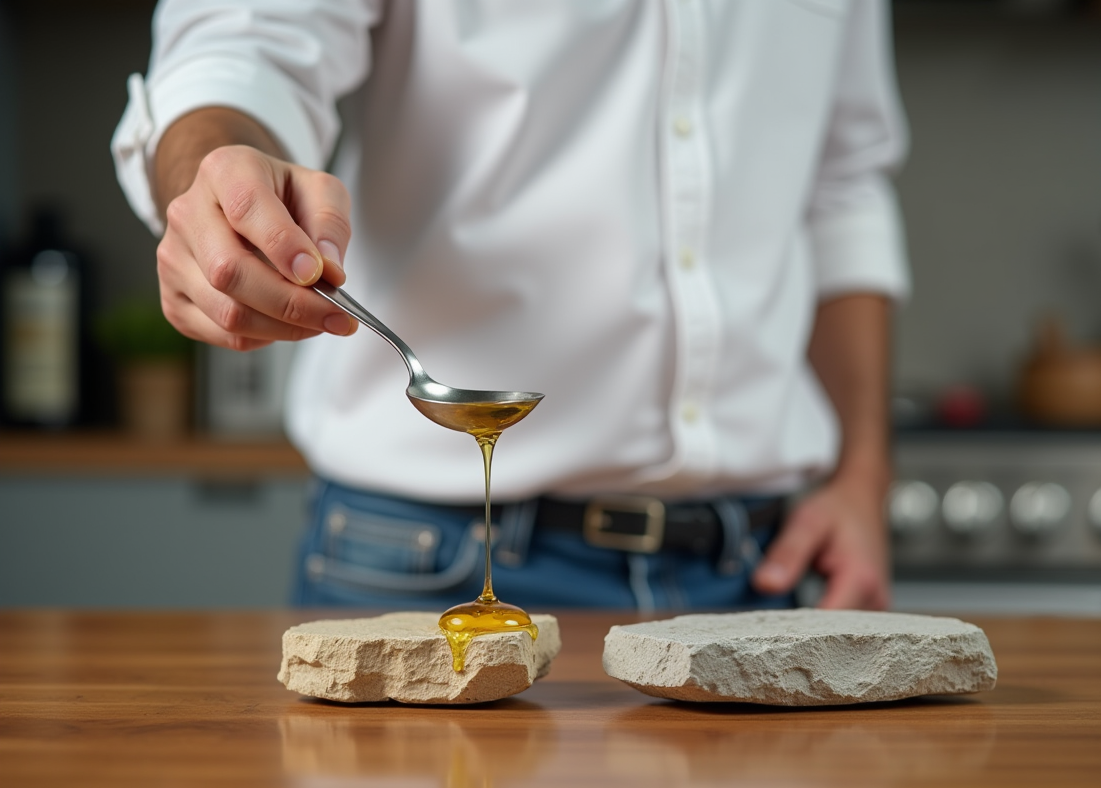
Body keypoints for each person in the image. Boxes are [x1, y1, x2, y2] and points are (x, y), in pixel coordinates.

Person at [112, 0, 909, 612]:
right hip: (424, 569)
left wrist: (864, 474)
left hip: (754, 578)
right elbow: (241, 52)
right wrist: (214, 172)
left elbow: (841, 184)